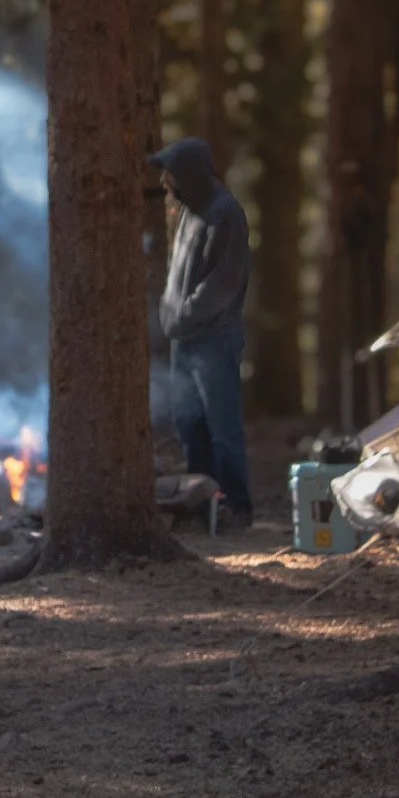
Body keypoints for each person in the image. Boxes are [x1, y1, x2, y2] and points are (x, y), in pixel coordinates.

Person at [151, 137, 254, 527]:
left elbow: (223, 283)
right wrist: (169, 312)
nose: (165, 182)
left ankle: (236, 506)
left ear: (189, 173)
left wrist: (183, 314)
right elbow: (177, 276)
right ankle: (201, 505)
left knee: (222, 426)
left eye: (170, 173)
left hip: (214, 338)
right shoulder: (190, 211)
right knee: (189, 425)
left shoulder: (225, 213)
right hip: (185, 338)